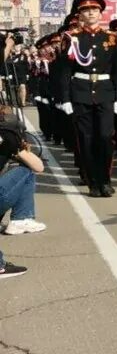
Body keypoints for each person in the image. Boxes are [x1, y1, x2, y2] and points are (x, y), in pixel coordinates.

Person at [54, 0, 117, 198]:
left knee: (105, 137)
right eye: (86, 10)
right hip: (81, 92)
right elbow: (65, 71)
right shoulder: (72, 38)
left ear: (100, 13)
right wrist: (65, 98)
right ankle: (93, 181)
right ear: (80, 14)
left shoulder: (111, 38)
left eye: (95, 9)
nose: (91, 12)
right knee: (86, 139)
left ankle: (106, 179)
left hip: (105, 91)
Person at [0, 119, 46, 279]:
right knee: (27, 170)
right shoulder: (6, 134)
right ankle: (21, 218)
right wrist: (20, 148)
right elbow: (39, 166)